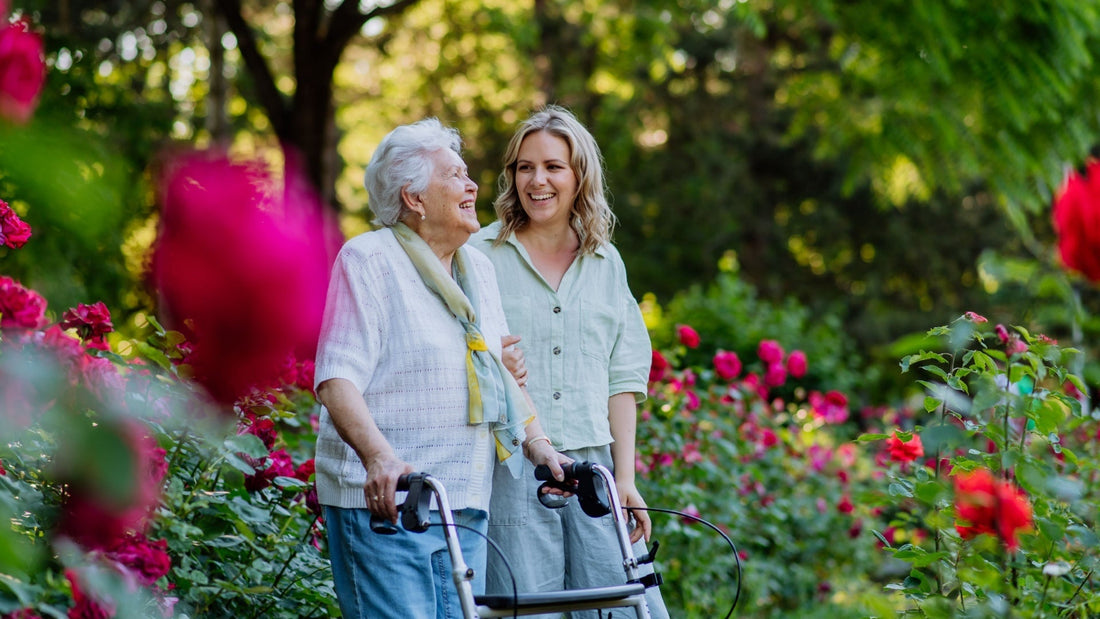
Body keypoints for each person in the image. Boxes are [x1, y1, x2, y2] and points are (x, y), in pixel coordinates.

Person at [313, 117, 567, 619]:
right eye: (454, 175)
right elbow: (336, 378)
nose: (472, 184)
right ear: (414, 197)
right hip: (389, 504)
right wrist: (379, 458)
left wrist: (542, 447)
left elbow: (498, 374)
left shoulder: (479, 270)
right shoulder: (370, 260)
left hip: (463, 503)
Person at [471, 105, 669, 619]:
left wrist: (624, 479)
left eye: (553, 166)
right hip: (511, 473)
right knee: (527, 612)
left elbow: (622, 378)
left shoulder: (606, 262)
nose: (537, 180)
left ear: (580, 175)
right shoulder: (478, 256)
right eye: (524, 167)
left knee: (619, 608)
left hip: (594, 475)